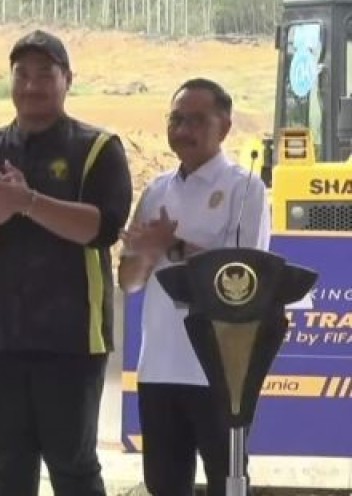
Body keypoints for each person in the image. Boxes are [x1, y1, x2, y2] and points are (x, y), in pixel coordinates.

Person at [0, 29, 133, 496]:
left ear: (68, 80)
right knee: (7, 470)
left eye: (46, 73)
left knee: (74, 466)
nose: (32, 84)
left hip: (71, 342)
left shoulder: (98, 148)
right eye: (22, 73)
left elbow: (102, 229)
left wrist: (27, 202)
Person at [119, 78, 269, 496]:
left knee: (229, 483)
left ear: (224, 127)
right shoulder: (156, 190)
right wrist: (144, 256)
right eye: (176, 119)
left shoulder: (245, 189)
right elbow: (129, 283)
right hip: (159, 368)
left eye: (196, 120)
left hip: (220, 371)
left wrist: (173, 245)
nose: (183, 130)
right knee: (164, 485)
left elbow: (242, 277)